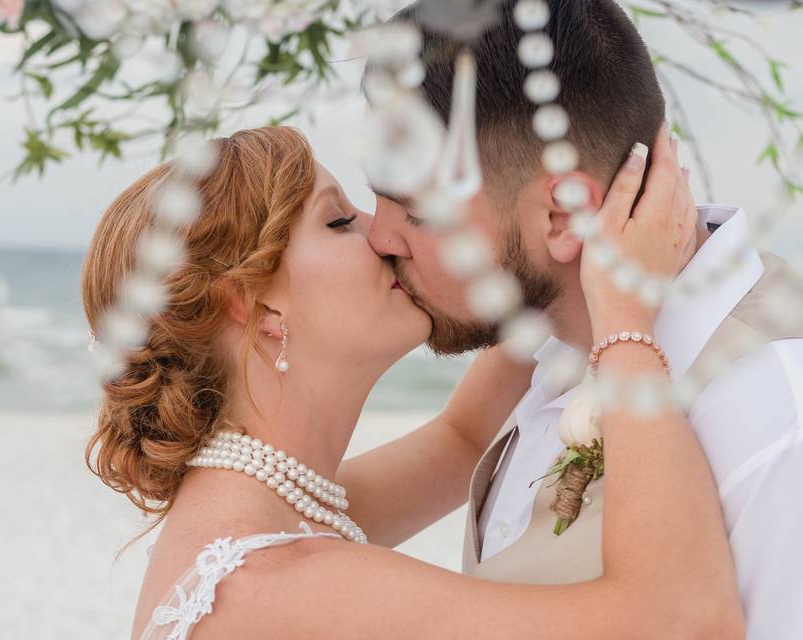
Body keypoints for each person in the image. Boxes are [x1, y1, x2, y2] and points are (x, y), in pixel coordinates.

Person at [81, 126, 742, 638]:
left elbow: (461, 442)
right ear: (253, 307)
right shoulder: (267, 584)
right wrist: (625, 320)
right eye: (339, 220)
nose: (385, 233)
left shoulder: (269, 512)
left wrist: (534, 250)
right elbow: (681, 623)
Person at [366, 1, 803, 638]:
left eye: (414, 210)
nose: (378, 236)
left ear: (562, 217)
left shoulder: (797, 427)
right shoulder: (549, 336)